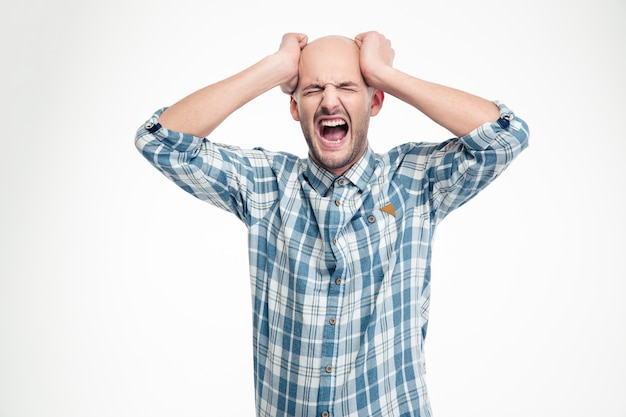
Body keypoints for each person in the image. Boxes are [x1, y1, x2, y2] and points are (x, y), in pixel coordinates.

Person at [135, 31, 529, 417]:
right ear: (294, 109)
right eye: (311, 90)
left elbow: (505, 136)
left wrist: (384, 72)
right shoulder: (265, 183)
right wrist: (276, 67)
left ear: (375, 102)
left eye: (347, 86)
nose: (328, 101)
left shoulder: (414, 181)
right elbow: (159, 140)